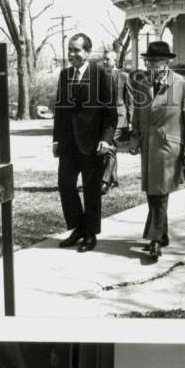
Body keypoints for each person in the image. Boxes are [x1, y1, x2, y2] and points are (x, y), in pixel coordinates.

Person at [129, 40, 185, 262]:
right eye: (149, 61)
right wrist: (134, 138)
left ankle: (154, 240)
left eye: (156, 61)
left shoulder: (182, 84)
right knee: (154, 192)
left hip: (169, 147)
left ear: (167, 61)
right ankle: (161, 234)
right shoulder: (142, 84)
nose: (152, 65)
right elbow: (137, 114)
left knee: (160, 193)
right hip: (148, 147)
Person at [52, 32, 117, 253]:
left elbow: (111, 113)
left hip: (92, 144)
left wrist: (106, 140)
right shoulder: (64, 75)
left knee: (91, 190)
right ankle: (78, 227)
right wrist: (56, 140)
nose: (72, 54)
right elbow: (60, 111)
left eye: (76, 50)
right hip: (69, 144)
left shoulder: (102, 75)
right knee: (65, 184)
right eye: (69, 50)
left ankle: (90, 234)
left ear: (88, 52)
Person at [100, 49, 131, 194]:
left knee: (109, 146)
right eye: (104, 59)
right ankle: (114, 179)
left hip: (119, 116)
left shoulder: (124, 76)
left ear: (115, 60)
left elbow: (130, 99)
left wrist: (131, 120)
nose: (105, 61)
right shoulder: (100, 76)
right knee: (111, 147)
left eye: (108, 59)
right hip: (105, 117)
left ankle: (105, 181)